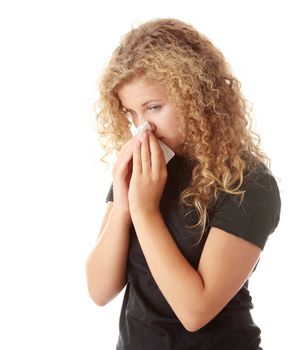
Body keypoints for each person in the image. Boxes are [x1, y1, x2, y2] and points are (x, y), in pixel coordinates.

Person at [85, 18, 281, 350]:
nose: (143, 129)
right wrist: (122, 203)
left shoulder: (249, 184)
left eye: (154, 108)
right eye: (132, 114)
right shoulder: (144, 170)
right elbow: (100, 290)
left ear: (198, 97)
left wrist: (145, 212)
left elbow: (195, 311)